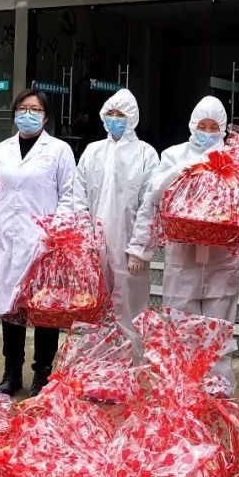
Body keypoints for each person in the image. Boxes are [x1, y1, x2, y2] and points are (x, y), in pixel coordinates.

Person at [0, 89, 76, 398]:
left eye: (35, 109)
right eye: (23, 108)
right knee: (10, 309)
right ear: (14, 113)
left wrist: (56, 231)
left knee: (44, 310)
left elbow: (69, 195)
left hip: (43, 243)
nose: (28, 114)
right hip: (7, 241)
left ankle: (42, 374)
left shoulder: (60, 150)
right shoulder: (1, 150)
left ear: (46, 117)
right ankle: (11, 372)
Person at [131, 96, 239, 393]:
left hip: (221, 257)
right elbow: (154, 197)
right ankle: (183, 383)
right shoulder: (174, 155)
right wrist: (140, 248)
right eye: (203, 126)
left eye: (214, 127)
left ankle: (218, 387)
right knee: (180, 324)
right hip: (182, 256)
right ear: (193, 125)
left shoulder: (234, 157)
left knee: (219, 326)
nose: (208, 132)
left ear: (223, 128)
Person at [70, 89, 159, 363]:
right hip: (94, 244)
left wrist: (139, 249)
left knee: (129, 310)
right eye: (110, 113)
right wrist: (83, 240)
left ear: (132, 117)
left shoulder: (145, 154)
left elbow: (150, 205)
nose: (115, 118)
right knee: (93, 307)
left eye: (121, 114)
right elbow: (78, 197)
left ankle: (129, 367)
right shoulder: (92, 151)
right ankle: (95, 366)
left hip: (127, 245)